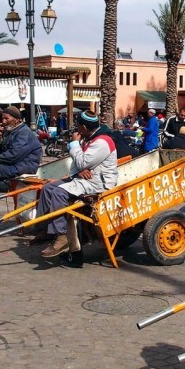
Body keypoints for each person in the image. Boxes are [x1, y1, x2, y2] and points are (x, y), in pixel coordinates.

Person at [35, 111, 119, 265]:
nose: (77, 129)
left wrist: (75, 146)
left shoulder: (102, 142)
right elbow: (79, 163)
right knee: (48, 188)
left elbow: (82, 160)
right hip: (83, 178)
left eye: (79, 126)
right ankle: (45, 228)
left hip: (97, 183)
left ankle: (61, 236)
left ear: (85, 127)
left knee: (59, 193)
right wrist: (81, 168)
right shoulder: (89, 138)